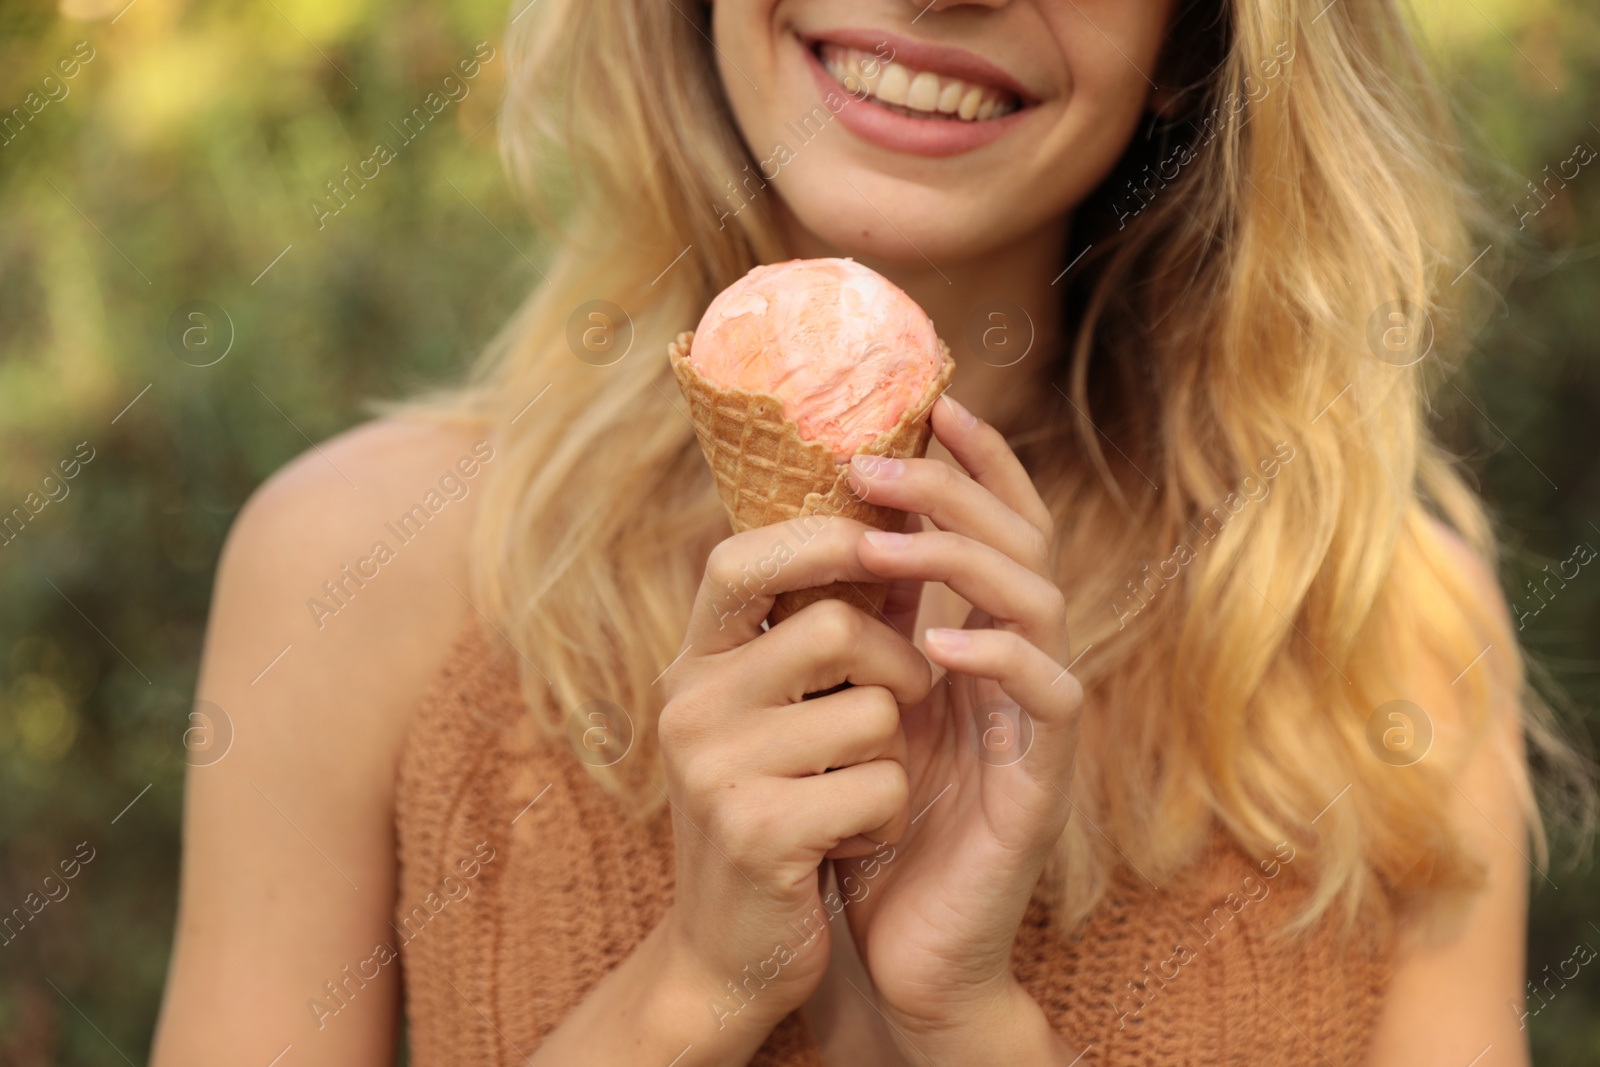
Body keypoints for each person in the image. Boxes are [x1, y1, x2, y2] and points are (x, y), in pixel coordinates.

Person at [150, 0, 1590, 1063]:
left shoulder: (1375, 636)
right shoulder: (355, 568)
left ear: (1196, 45)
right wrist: (694, 990)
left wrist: (970, 1023)